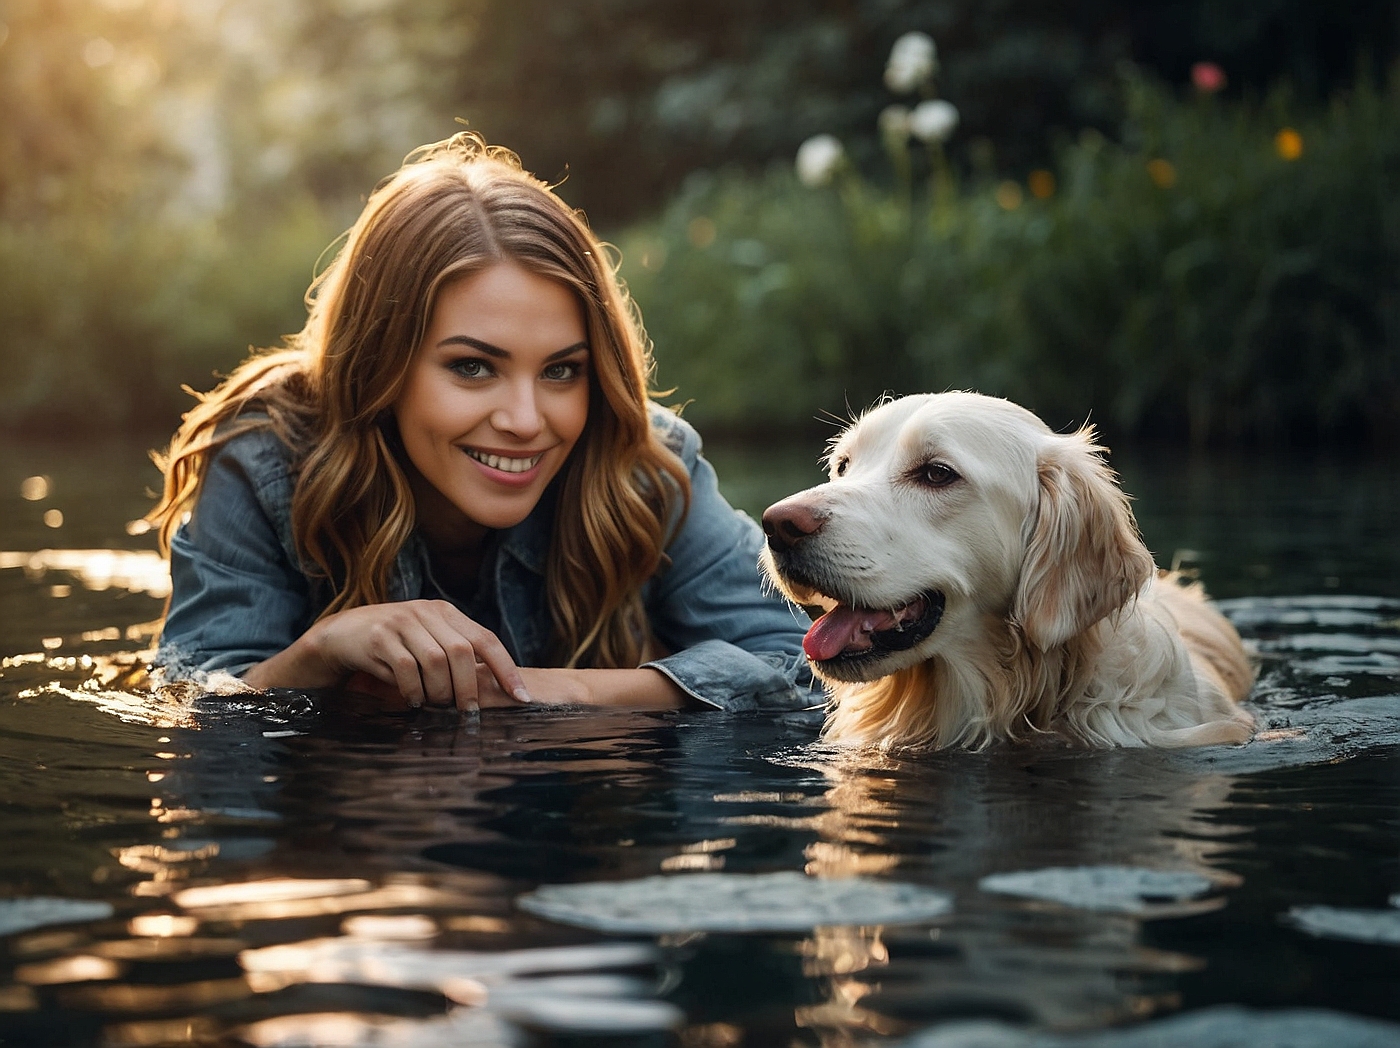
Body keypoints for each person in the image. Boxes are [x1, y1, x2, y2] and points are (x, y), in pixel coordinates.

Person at [148, 132, 819, 715]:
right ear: (381, 362)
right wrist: (321, 653)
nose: (526, 421)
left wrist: (548, 693)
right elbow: (188, 700)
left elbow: (806, 669)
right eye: (472, 367)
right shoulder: (266, 459)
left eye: (562, 371)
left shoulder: (645, 459)